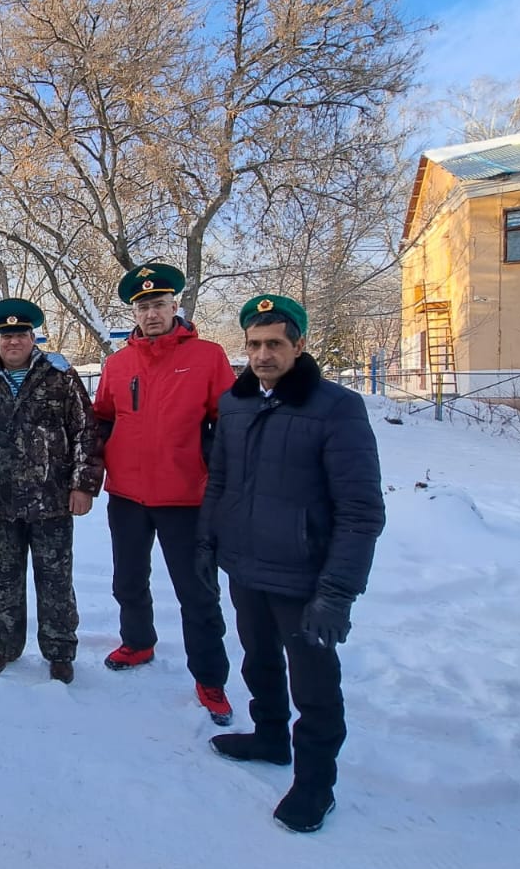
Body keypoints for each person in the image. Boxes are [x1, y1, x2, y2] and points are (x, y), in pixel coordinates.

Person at [199, 295, 385, 833]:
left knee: (315, 685)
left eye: (274, 344)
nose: (262, 355)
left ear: (298, 345)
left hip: (305, 577)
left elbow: (361, 511)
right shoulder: (235, 404)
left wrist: (337, 593)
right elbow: (222, 482)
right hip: (246, 565)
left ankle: (315, 785)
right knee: (258, 661)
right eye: (254, 344)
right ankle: (270, 736)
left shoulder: (336, 407)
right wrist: (208, 544)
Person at [92, 263, 236, 725]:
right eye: (142, 306)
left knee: (197, 592)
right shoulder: (118, 363)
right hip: (129, 496)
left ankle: (210, 678)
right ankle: (138, 641)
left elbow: (228, 425)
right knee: (128, 581)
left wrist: (210, 470)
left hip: (186, 498)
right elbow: (103, 420)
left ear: (176, 305)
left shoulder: (209, 357)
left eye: (158, 304)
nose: (150, 313)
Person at [0, 299, 103, 684]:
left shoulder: (60, 375)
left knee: (55, 578)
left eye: (21, 334)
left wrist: (84, 485)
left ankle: (59, 650)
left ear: (32, 337)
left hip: (52, 498)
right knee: (3, 577)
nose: (13, 342)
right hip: (0, 500)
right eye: (6, 335)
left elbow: (85, 431)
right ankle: (4, 646)